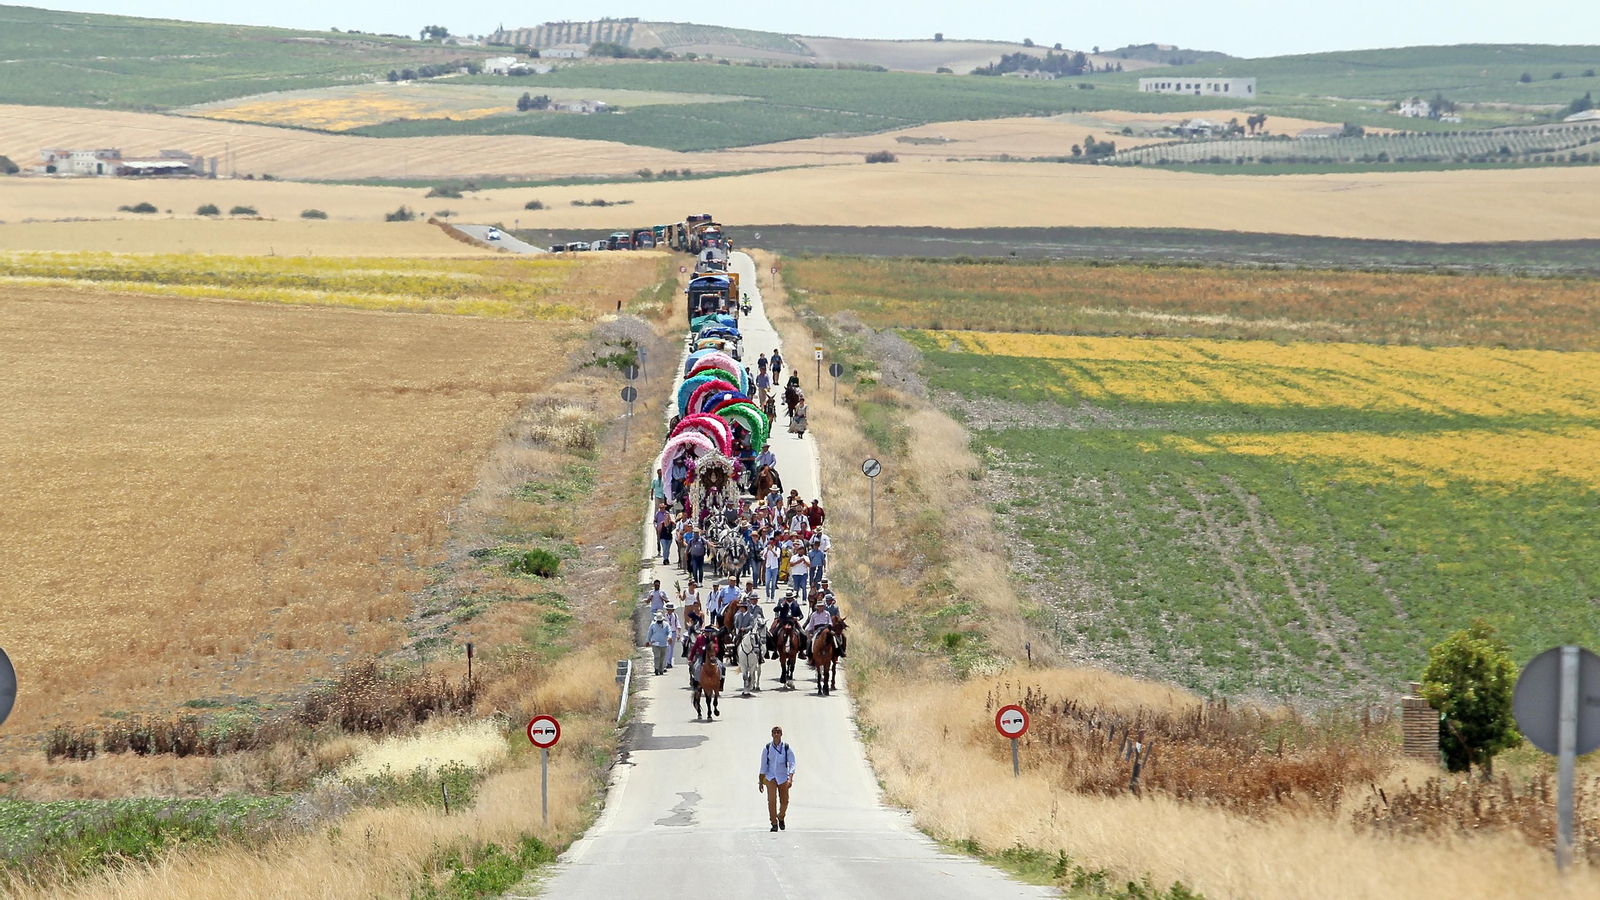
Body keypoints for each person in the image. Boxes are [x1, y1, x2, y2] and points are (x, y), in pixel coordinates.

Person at [758, 726, 796, 832]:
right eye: (774, 732)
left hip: (783, 777)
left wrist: (790, 778)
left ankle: (781, 816)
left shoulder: (786, 748)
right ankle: (774, 823)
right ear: (772, 734)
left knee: (785, 801)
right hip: (770, 777)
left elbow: (792, 763)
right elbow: (763, 766)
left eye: (778, 732)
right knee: (771, 800)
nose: (776, 734)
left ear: (781, 734)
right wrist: (761, 781)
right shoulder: (767, 748)